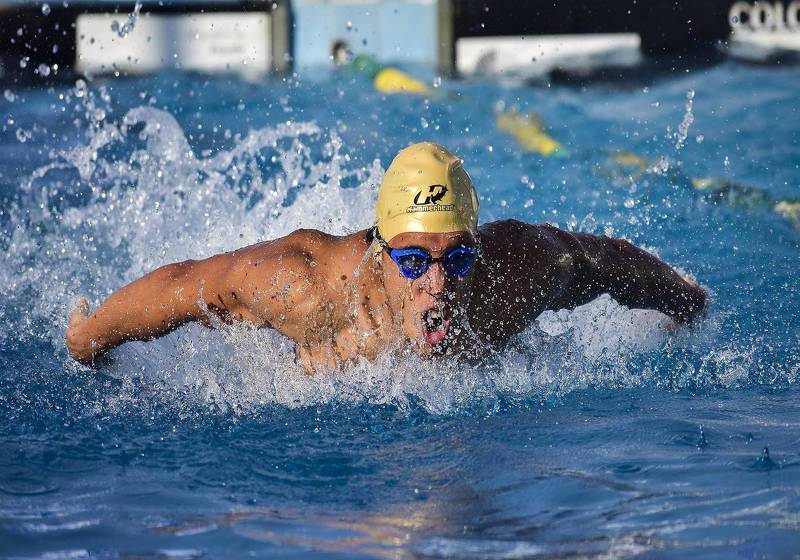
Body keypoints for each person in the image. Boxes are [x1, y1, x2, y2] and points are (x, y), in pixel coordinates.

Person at [66, 142, 707, 373]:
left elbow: (601, 260)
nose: (437, 285)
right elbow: (191, 284)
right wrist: (88, 337)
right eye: (413, 262)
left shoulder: (517, 272)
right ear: (379, 250)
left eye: (457, 259)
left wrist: (686, 301)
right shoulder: (309, 288)